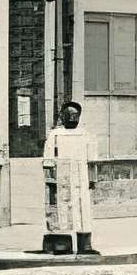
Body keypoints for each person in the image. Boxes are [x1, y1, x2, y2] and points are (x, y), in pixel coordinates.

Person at [43, 99, 100, 256]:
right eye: (69, 115)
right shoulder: (55, 135)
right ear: (62, 116)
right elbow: (48, 159)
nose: (72, 118)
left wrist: (92, 179)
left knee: (83, 211)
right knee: (62, 210)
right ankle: (62, 244)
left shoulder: (86, 135)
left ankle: (84, 244)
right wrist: (50, 180)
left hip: (82, 177)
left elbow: (92, 161)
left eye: (75, 115)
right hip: (61, 178)